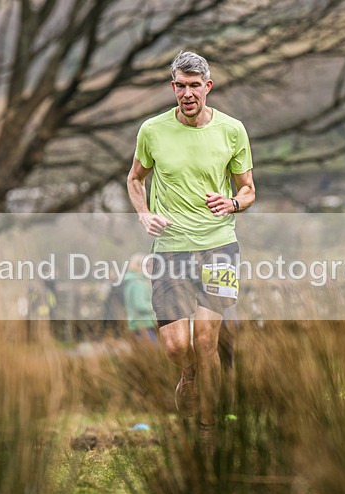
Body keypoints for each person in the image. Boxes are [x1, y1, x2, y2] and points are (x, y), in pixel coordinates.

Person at [126, 50, 255, 434]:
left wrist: (232, 202)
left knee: (206, 341)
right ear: (173, 88)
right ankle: (189, 376)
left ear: (207, 87)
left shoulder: (232, 130)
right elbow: (135, 179)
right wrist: (144, 213)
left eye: (194, 86)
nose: (187, 93)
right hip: (170, 249)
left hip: (220, 246)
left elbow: (248, 190)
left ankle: (208, 430)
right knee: (176, 347)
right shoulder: (152, 131)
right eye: (180, 86)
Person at [122, 253, 158, 344]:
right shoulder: (138, 283)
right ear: (137, 266)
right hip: (144, 325)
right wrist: (156, 308)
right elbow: (140, 305)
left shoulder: (131, 281)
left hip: (137, 325)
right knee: (153, 353)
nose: (149, 268)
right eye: (146, 265)